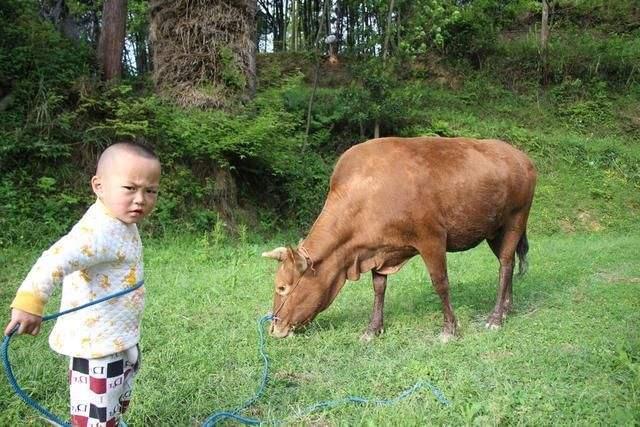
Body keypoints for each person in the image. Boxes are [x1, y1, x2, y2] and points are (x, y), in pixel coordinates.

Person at [3, 142, 161, 427]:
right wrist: (30, 302)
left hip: (116, 336)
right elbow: (54, 260)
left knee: (112, 402)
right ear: (99, 186)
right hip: (97, 345)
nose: (141, 199)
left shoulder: (119, 219)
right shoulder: (97, 231)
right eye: (130, 188)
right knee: (95, 414)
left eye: (150, 191)